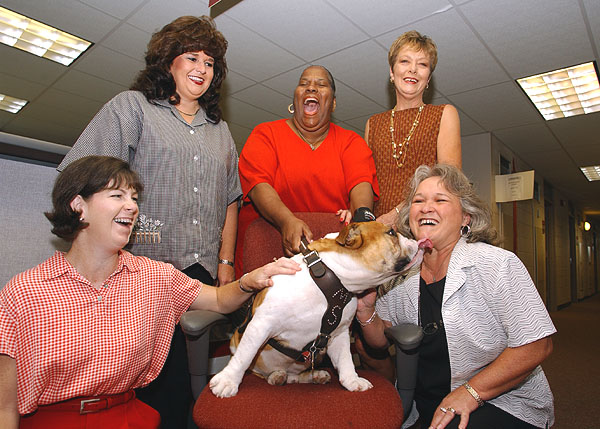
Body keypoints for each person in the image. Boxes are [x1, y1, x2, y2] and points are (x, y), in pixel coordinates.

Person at [0, 156, 299, 429]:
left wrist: (251, 279)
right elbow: (5, 408)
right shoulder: (25, 292)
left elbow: (220, 300)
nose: (132, 206)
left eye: (134, 197)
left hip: (130, 417)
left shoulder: (154, 276)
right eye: (117, 195)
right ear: (78, 205)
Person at [57, 16, 239, 426]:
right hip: (142, 271)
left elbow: (232, 200)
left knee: (196, 384)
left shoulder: (221, 132)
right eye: (191, 57)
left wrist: (226, 262)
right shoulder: (132, 108)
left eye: (210, 63)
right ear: (168, 62)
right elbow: (81, 175)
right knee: (152, 387)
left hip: (202, 275)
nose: (201, 68)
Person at [356, 164, 555, 429]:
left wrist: (471, 393)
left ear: (466, 218)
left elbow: (536, 345)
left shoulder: (497, 264)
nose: (426, 207)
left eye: (440, 200)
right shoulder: (401, 274)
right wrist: (366, 311)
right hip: (427, 406)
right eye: (418, 201)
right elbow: (381, 340)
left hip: (501, 401)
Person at [235, 65, 379, 276]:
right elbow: (258, 186)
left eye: (321, 85)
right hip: (266, 259)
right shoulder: (265, 134)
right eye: (304, 84)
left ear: (334, 103)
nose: (311, 88)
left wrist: (360, 220)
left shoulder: (351, 142)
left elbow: (361, 185)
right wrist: (287, 221)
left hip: (331, 267)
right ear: (295, 99)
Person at [365, 31, 462, 227]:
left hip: (425, 224)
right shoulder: (373, 124)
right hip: (379, 229)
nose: (413, 70)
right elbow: (365, 185)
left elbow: (448, 180)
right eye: (405, 62)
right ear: (392, 72)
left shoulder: (444, 114)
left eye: (422, 64)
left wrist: (397, 213)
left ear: (428, 78)